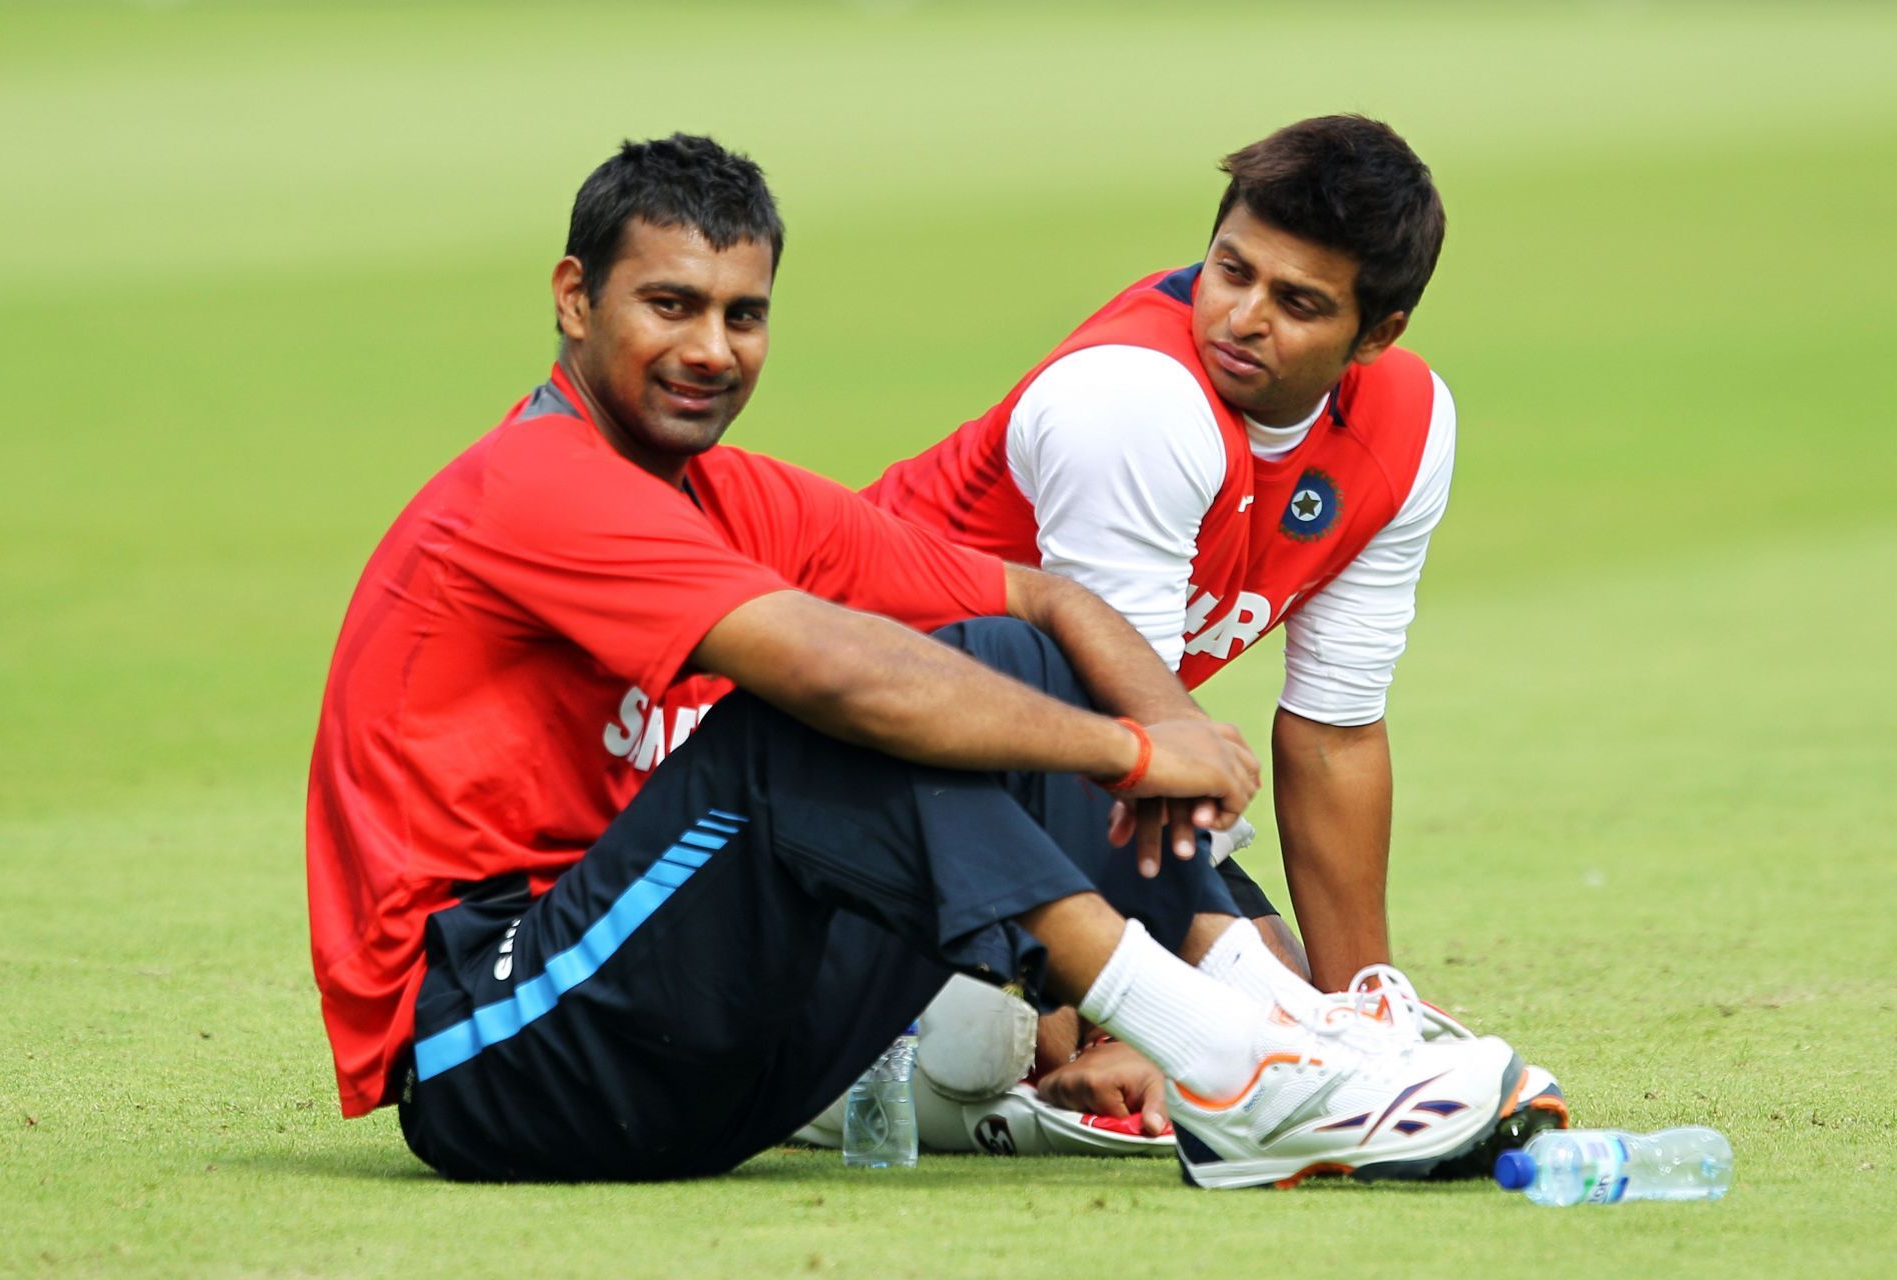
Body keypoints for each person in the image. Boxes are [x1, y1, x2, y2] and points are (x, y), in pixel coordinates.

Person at [305, 133, 1521, 1187]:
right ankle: (1229, 1061)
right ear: (576, 298)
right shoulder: (538, 482)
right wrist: (1133, 745)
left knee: (1006, 654)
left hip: (692, 1031)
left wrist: (1163, 725)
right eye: (669, 304)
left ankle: (1308, 1032)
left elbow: (1042, 596)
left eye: (743, 313)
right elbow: (840, 679)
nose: (713, 349)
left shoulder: (732, 493)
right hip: (495, 1040)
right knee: (817, 721)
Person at [862, 116, 1568, 1152]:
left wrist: (1357, 1005)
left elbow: (1335, 733)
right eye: (1229, 270)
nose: (1241, 317)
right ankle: (910, 1079)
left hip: (1040, 762)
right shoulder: (1134, 399)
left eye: (1299, 303)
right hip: (859, 750)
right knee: (1007, 1035)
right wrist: (1154, 1020)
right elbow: (1117, 740)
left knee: (1273, 998)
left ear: (1377, 333)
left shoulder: (1407, 428)